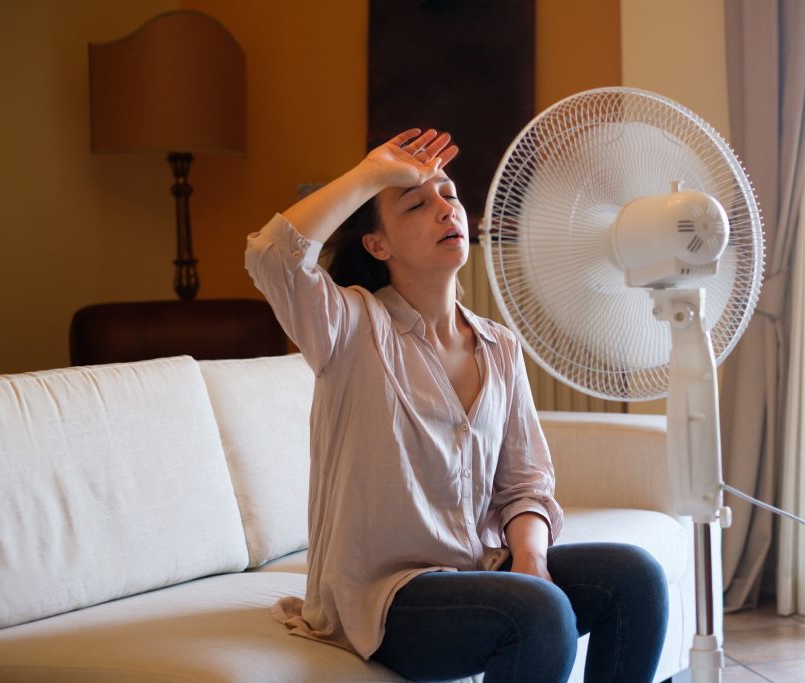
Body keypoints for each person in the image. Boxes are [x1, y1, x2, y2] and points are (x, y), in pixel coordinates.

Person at [245, 129, 669, 683]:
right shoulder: (350, 329)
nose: (446, 209)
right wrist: (373, 174)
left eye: (449, 194)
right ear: (378, 245)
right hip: (385, 599)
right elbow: (273, 256)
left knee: (634, 578)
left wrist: (530, 562)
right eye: (417, 203)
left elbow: (524, 485)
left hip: (482, 573)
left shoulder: (500, 346)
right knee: (538, 614)